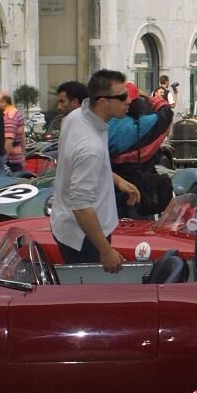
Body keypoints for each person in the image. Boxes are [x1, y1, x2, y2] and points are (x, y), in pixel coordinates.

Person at [50, 70, 140, 271]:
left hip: (71, 226)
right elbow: (81, 206)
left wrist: (116, 180)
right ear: (103, 102)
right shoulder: (90, 147)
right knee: (90, 298)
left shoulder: (76, 117)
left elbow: (80, 166)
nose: (129, 101)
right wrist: (105, 250)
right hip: (85, 237)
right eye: (123, 97)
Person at [109, 84, 174, 217]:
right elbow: (167, 111)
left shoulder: (104, 124)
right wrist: (149, 97)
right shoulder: (148, 123)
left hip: (110, 191)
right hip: (142, 193)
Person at [0, 91, 25, 174]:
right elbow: (22, 136)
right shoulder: (17, 112)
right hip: (17, 157)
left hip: (10, 160)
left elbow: (9, 140)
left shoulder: (9, 116)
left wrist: (2, 159)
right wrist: (23, 155)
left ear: (4, 102)